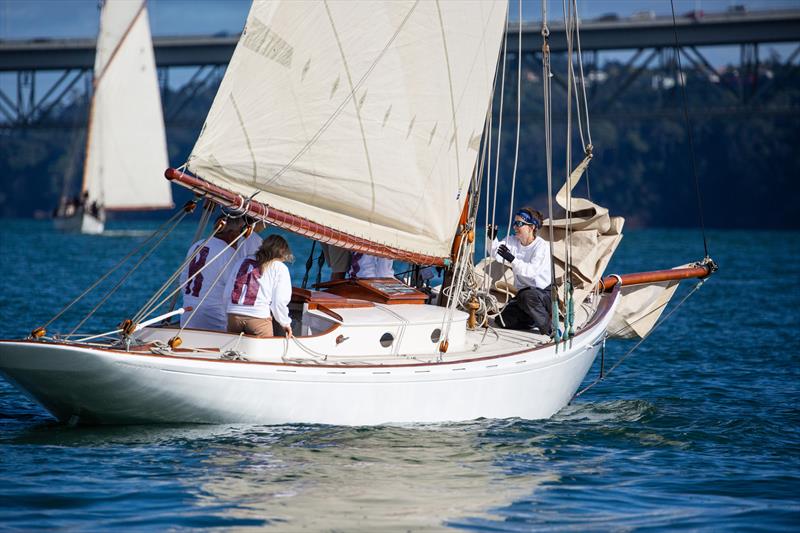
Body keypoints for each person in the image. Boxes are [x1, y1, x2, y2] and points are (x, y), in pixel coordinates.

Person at [490, 207, 553, 335]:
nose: (515, 227)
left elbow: (531, 272)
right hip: (523, 295)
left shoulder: (542, 247)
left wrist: (512, 260)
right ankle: (533, 320)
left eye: (519, 224)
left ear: (531, 227)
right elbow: (496, 253)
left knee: (527, 297)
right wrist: (491, 239)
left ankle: (550, 329)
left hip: (543, 294)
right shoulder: (513, 241)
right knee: (502, 320)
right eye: (515, 223)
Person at [180, 216, 244, 331]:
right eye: (240, 232)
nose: (241, 236)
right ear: (231, 234)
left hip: (188, 315)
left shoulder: (197, 245)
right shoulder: (228, 253)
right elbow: (235, 290)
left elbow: (183, 279)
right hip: (215, 319)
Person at [225, 234, 294, 338]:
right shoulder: (279, 267)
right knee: (265, 353)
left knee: (231, 353)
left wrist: (229, 312)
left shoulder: (241, 261)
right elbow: (279, 301)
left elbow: (227, 293)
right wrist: (285, 323)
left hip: (233, 316)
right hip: (258, 318)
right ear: (283, 251)